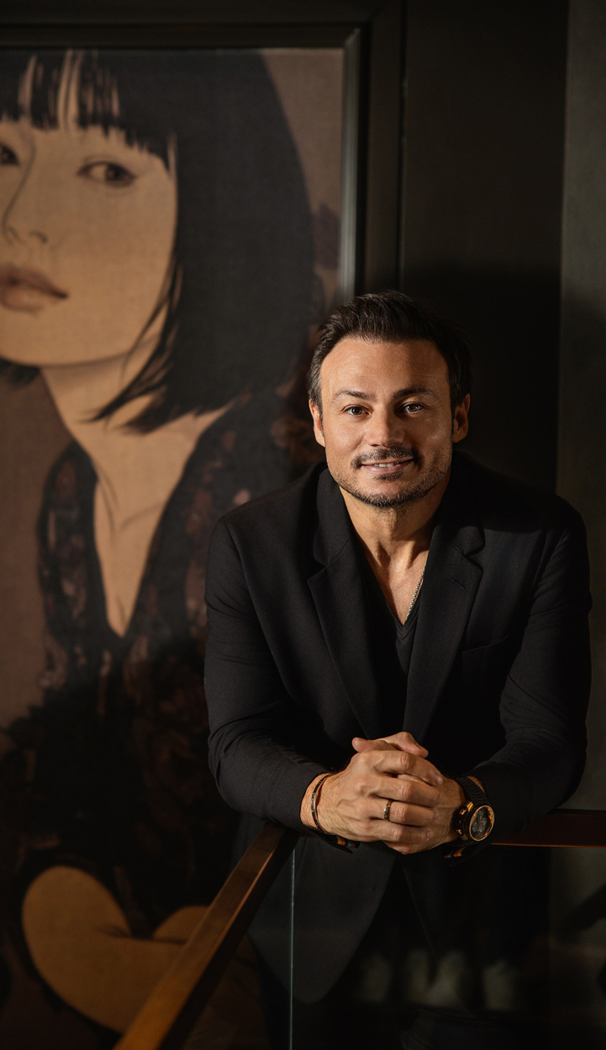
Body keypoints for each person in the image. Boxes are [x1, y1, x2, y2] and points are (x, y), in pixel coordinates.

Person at [0, 46, 320, 1041]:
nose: (22, 216)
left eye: (106, 168)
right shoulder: (71, 495)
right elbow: (79, 799)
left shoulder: (273, 486)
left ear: (214, 214)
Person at [205, 291, 591, 1048]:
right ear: (319, 423)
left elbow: (550, 742)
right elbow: (235, 742)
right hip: (309, 922)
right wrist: (326, 798)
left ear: (459, 416)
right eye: (355, 409)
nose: (383, 434)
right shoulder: (251, 544)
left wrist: (462, 806)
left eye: (412, 406)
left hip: (481, 925)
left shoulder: (540, 536)